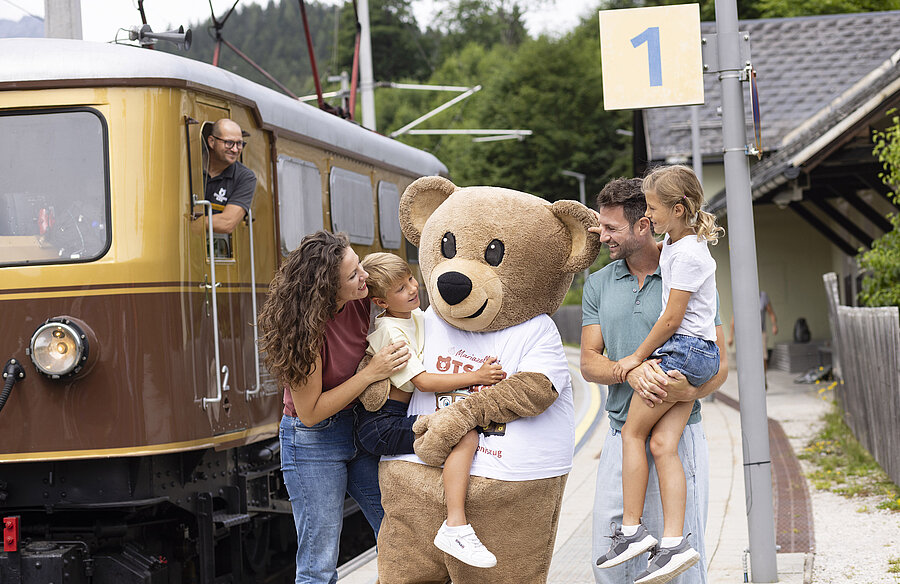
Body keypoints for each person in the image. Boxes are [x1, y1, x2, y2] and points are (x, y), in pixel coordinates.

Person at [581, 176, 728, 584]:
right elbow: (589, 364)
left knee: (680, 571)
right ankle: (633, 535)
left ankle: (651, 540)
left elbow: (719, 364)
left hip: (679, 441)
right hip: (618, 436)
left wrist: (688, 391)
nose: (601, 235)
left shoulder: (682, 267)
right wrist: (630, 368)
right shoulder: (598, 284)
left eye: (610, 228)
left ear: (644, 224)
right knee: (608, 566)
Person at [257, 231, 410, 584]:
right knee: (319, 563)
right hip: (314, 442)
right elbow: (310, 412)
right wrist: (373, 372)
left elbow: (400, 294)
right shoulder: (303, 330)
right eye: (354, 275)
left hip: (359, 428)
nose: (365, 278)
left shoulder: (360, 297)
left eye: (360, 266)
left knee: (398, 529)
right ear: (327, 289)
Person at [355, 252, 505, 569]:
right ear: (381, 302)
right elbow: (422, 382)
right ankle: (455, 524)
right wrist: (477, 376)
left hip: (395, 417)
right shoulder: (389, 332)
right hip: (381, 424)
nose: (412, 288)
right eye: (400, 288)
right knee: (462, 435)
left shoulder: (416, 317)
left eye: (410, 279)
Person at [198, 118, 257, 234]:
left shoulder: (245, 177)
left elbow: (227, 223)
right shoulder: (189, 164)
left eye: (239, 144)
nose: (235, 149)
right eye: (229, 143)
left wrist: (187, 224)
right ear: (211, 142)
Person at [728, 291, 778, 375]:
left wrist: (774, 325)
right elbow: (734, 318)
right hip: (747, 334)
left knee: (763, 357)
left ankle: (763, 378)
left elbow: (771, 313)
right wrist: (730, 336)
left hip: (761, 332)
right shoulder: (743, 298)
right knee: (749, 358)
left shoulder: (763, 296)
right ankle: (751, 377)